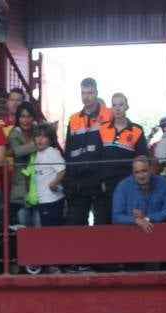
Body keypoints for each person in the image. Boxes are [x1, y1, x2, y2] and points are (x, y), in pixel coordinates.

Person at [64, 76, 111, 225]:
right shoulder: (73, 119)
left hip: (100, 178)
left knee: (103, 225)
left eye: (90, 92)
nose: (86, 97)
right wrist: (70, 181)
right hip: (79, 181)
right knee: (76, 225)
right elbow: (69, 152)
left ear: (96, 92)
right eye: (83, 93)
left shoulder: (108, 115)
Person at [111, 156, 166, 233]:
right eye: (137, 172)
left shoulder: (163, 183)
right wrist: (136, 220)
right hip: (130, 235)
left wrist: (147, 218)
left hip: (158, 232)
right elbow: (116, 217)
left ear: (151, 169)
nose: (141, 176)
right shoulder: (122, 186)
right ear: (132, 172)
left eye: (144, 171)